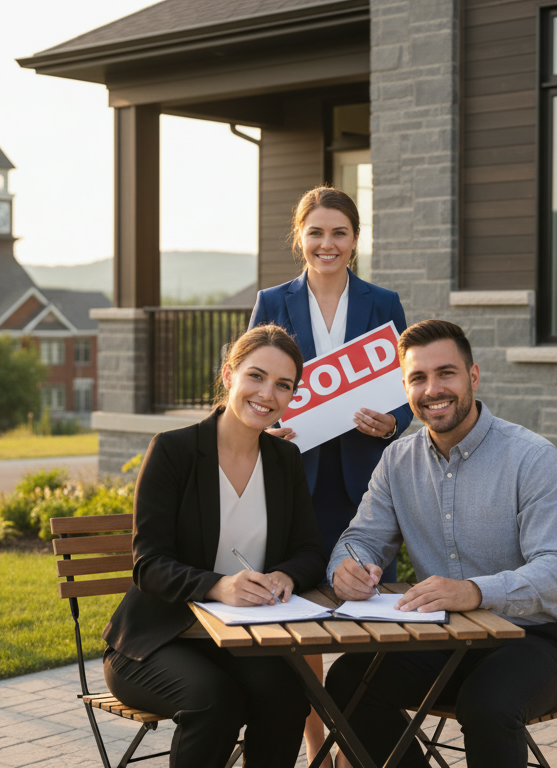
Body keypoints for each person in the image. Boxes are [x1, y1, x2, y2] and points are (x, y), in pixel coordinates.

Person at [326, 319, 557, 768]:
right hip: (444, 639)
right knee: (348, 682)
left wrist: (476, 591)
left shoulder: (532, 457)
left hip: (532, 642)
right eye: (418, 378)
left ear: (473, 376)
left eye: (446, 373)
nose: (433, 389)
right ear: (405, 388)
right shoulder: (397, 460)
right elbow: (361, 538)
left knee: (487, 704)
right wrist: (347, 566)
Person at [100, 324, 326, 768]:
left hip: (239, 642)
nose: (268, 394)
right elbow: (148, 565)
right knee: (213, 702)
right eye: (256, 376)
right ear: (229, 376)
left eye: (284, 385)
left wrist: (287, 575)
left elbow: (311, 551)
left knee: (286, 696)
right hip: (157, 640)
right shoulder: (173, 451)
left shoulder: (284, 460)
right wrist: (218, 586)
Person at [249, 185, 413, 766]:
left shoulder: (382, 301)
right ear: (300, 237)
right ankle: (320, 749)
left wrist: (389, 423)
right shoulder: (273, 301)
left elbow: (404, 388)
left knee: (369, 611)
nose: (327, 244)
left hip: (366, 489)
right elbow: (252, 384)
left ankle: (358, 744)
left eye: (338, 233)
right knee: (304, 623)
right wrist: (266, 428)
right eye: (316, 232)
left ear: (354, 240)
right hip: (293, 486)